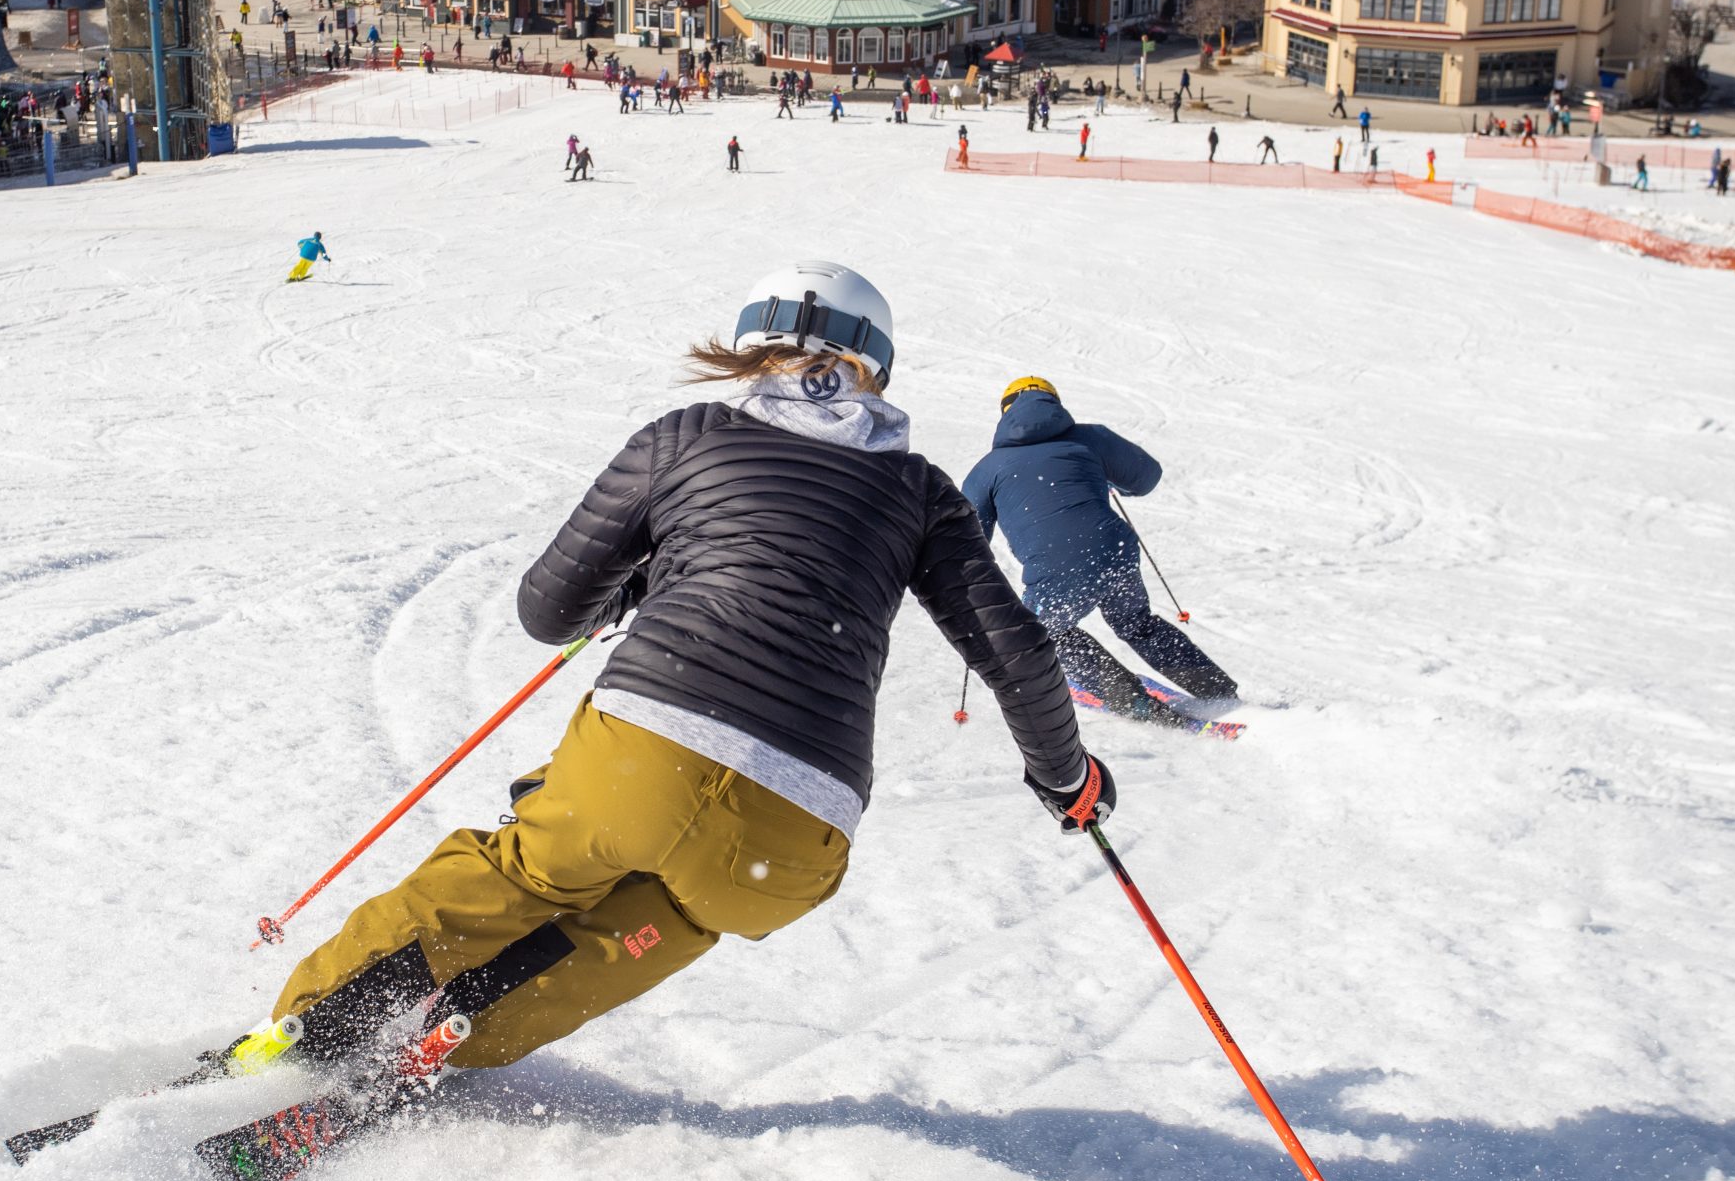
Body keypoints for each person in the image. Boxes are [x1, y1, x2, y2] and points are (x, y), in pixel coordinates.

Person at [219, 263, 1104, 1083]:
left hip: (646, 755)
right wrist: (1069, 779)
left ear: (753, 343)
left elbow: (546, 610)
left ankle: (314, 1025)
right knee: (679, 912)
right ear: (876, 366)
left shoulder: (689, 434)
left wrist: (637, 577)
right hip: (795, 830)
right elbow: (1016, 654)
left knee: (530, 868)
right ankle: (464, 1030)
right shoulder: (922, 490)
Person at [963, 376, 1238, 710]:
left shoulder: (988, 468)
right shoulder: (1090, 438)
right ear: (1055, 404)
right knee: (1137, 623)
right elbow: (1146, 477)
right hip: (1115, 550)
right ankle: (1219, 691)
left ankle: (1132, 701)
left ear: (1005, 412)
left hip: (1057, 565)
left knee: (1042, 634)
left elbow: (967, 535)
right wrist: (1108, 476)